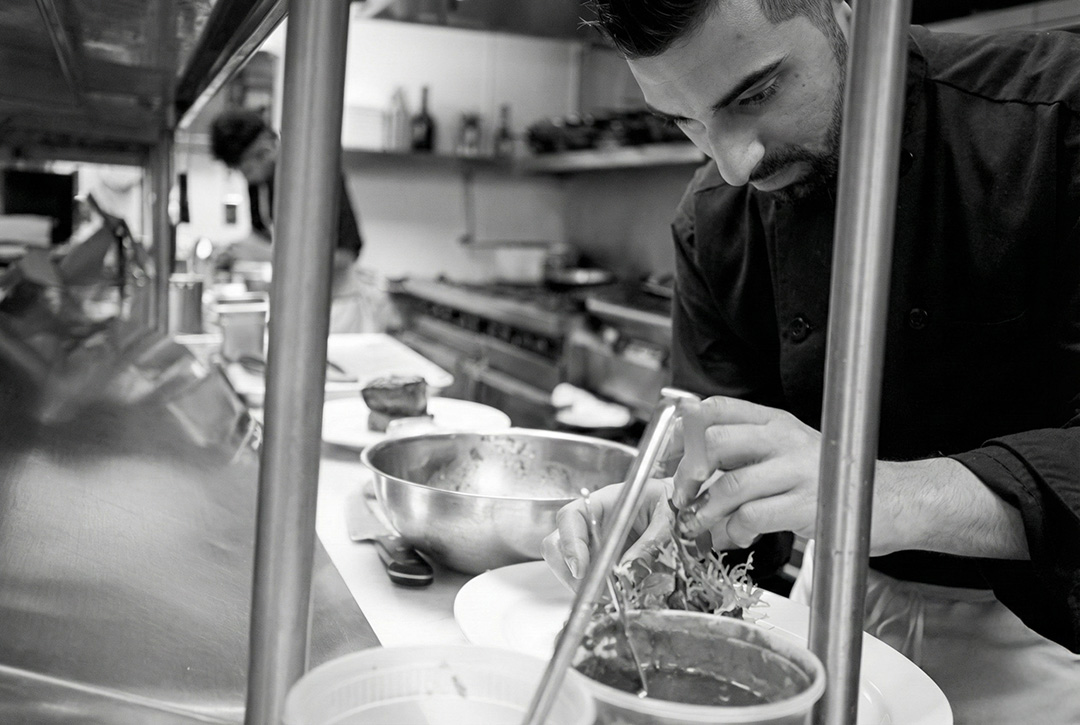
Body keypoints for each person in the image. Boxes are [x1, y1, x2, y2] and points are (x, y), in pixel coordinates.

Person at [541, 1, 1080, 722]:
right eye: (685, 121)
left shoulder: (1053, 122)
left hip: (1035, 636)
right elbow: (722, 480)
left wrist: (884, 497)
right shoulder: (713, 222)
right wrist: (677, 514)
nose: (732, 163)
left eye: (755, 94)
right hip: (825, 606)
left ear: (849, 12)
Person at [209, 109, 366, 332]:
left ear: (265, 150)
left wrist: (273, 256)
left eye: (245, 168)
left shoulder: (320, 174)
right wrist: (234, 250)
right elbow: (261, 236)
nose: (245, 177)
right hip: (295, 306)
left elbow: (345, 257)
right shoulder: (261, 183)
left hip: (336, 312)